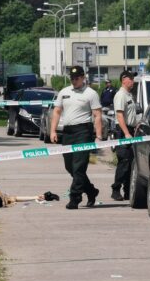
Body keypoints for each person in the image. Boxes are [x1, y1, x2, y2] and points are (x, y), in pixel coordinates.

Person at [50, 66, 103, 209]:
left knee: (79, 167)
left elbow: (97, 115)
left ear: (83, 78)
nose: (74, 80)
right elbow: (57, 111)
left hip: (83, 132)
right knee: (69, 166)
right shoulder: (64, 92)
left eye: (77, 78)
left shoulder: (91, 93)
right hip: (67, 132)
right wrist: (53, 131)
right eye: (72, 78)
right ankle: (91, 191)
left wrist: (98, 136)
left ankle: (75, 197)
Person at [111, 70, 137, 201]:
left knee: (130, 162)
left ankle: (127, 191)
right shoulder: (120, 95)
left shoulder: (129, 95)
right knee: (124, 161)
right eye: (131, 78)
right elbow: (119, 116)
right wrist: (126, 133)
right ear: (124, 80)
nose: (133, 81)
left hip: (130, 130)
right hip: (122, 132)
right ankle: (116, 189)